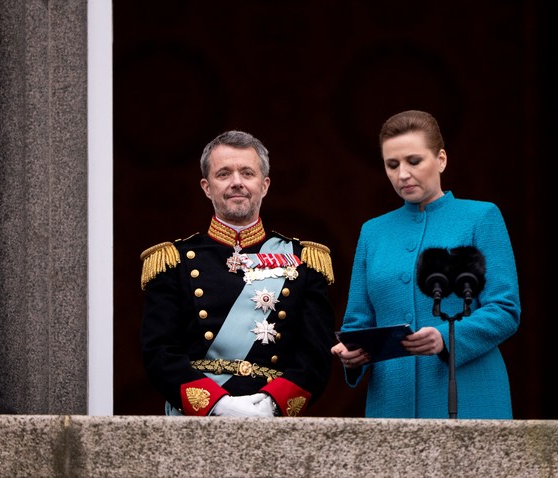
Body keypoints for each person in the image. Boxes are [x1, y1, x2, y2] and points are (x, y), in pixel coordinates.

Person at [331, 110, 521, 419]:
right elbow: (358, 323)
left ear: (441, 159)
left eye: (413, 161)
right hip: (392, 403)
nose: (402, 174)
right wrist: (351, 353)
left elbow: (505, 309)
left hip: (471, 395)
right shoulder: (373, 232)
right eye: (392, 165)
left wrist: (447, 337)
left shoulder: (480, 218)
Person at [140, 129, 336, 417]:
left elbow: (315, 356)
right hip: (197, 418)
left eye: (247, 173)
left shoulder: (303, 260)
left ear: (265, 184)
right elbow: (159, 352)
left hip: (271, 416)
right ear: (206, 187)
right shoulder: (174, 260)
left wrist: (271, 403)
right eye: (224, 174)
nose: (237, 183)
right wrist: (217, 404)